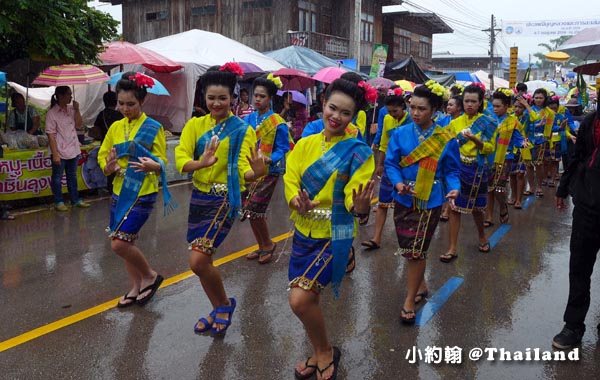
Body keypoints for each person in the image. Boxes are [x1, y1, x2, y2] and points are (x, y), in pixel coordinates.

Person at [285, 78, 375, 380]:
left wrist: (358, 207)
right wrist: (295, 198)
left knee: (299, 299)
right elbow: (290, 177)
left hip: (334, 235)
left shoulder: (359, 152)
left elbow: (355, 192)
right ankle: (319, 349)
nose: (336, 117)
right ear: (323, 103)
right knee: (309, 300)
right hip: (303, 231)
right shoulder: (305, 144)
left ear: (354, 117)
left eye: (345, 113)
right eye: (332, 108)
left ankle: (324, 351)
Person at [175, 63, 266, 335]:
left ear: (233, 98)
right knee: (204, 263)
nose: (216, 103)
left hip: (225, 199)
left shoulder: (241, 130)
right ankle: (218, 308)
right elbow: (180, 159)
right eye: (211, 97)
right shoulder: (194, 125)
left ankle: (224, 304)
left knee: (198, 261)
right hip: (199, 197)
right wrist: (200, 163)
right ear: (203, 97)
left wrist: (257, 173)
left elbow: (242, 171)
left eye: (222, 98)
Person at [385, 82, 460, 323]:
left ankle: (409, 300)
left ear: (435, 110)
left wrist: (455, 189)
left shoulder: (445, 138)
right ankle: (421, 283)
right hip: (403, 198)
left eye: (422, 109)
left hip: (431, 200)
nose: (415, 113)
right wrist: (397, 184)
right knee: (409, 249)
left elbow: (451, 171)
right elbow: (391, 164)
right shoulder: (399, 133)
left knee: (417, 250)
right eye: (412, 107)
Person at [97, 72, 172, 308]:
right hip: (119, 192)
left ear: (142, 101)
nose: (125, 108)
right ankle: (136, 285)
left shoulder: (153, 127)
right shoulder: (115, 127)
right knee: (125, 242)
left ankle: (150, 276)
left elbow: (162, 159)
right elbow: (103, 154)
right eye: (121, 103)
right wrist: (107, 166)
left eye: (131, 104)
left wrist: (155, 165)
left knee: (119, 243)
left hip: (143, 191)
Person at [552, 106, 600, 349]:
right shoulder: (590, 122)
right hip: (588, 207)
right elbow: (577, 156)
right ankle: (573, 325)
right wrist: (563, 188)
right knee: (579, 267)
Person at [441, 84, 497, 261]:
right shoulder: (454, 123)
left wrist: (475, 140)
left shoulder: (487, 122)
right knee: (454, 207)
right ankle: (452, 248)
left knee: (477, 209)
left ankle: (482, 237)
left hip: (477, 169)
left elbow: (489, 148)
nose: (470, 104)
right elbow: (446, 146)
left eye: (474, 101)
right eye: (466, 101)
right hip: (457, 169)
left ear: (480, 102)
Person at [241, 74, 291, 264]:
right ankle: (262, 245)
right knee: (251, 211)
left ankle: (268, 244)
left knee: (255, 208)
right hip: (250, 169)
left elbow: (283, 148)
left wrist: (270, 159)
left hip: (269, 171)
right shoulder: (249, 119)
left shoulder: (277, 121)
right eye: (256, 95)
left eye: (262, 96)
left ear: (271, 98)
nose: (257, 99)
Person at [362, 86, 411, 251]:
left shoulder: (412, 121)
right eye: (389, 111)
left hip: (406, 168)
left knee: (403, 206)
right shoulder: (388, 119)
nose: (392, 114)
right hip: (390, 166)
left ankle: (405, 240)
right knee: (383, 203)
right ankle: (376, 238)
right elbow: (383, 143)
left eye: (395, 111)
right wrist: (380, 164)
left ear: (403, 107)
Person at [485, 88, 527, 226]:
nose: (495, 109)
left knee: (499, 188)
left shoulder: (513, 122)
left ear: (506, 106)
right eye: (493, 106)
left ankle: (502, 206)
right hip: (489, 157)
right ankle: (489, 216)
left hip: (506, 157)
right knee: (489, 188)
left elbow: (518, 138)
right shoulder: (488, 119)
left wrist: (523, 143)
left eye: (498, 106)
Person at [45, 86, 90, 211]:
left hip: (73, 148)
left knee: (72, 175)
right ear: (60, 96)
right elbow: (51, 135)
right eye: (68, 94)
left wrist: (77, 110)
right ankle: (58, 201)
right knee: (57, 177)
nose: (71, 97)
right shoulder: (52, 113)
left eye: (71, 94)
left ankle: (74, 199)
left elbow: (79, 124)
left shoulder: (71, 109)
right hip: (59, 149)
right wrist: (55, 154)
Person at [439, 95, 463, 221]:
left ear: (459, 107)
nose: (448, 107)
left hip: (459, 155)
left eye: (451, 105)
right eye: (448, 104)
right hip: (444, 154)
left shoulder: (464, 121)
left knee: (452, 180)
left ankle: (448, 209)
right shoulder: (443, 120)